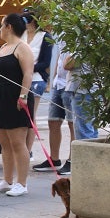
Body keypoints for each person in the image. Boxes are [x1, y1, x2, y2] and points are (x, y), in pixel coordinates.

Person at [0, 13, 34, 196]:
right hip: (0, 98)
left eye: (2, 25)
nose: (0, 28)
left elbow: (28, 74)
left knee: (18, 143)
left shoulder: (23, 48)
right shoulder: (3, 47)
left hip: (16, 99)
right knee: (4, 143)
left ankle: (22, 183)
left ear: (9, 27)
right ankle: (7, 180)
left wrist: (23, 95)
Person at [34, 42, 75, 174]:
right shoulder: (63, 35)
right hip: (58, 83)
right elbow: (59, 56)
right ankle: (54, 158)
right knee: (53, 121)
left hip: (71, 84)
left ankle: (72, 160)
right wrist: (53, 80)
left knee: (72, 124)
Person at [21, 9, 53, 156]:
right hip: (19, 79)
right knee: (20, 116)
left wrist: (28, 68)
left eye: (26, 19)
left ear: (33, 20)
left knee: (30, 115)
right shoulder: (21, 35)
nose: (24, 22)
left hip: (36, 79)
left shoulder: (45, 37)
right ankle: (21, 149)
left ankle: (28, 150)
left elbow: (46, 62)